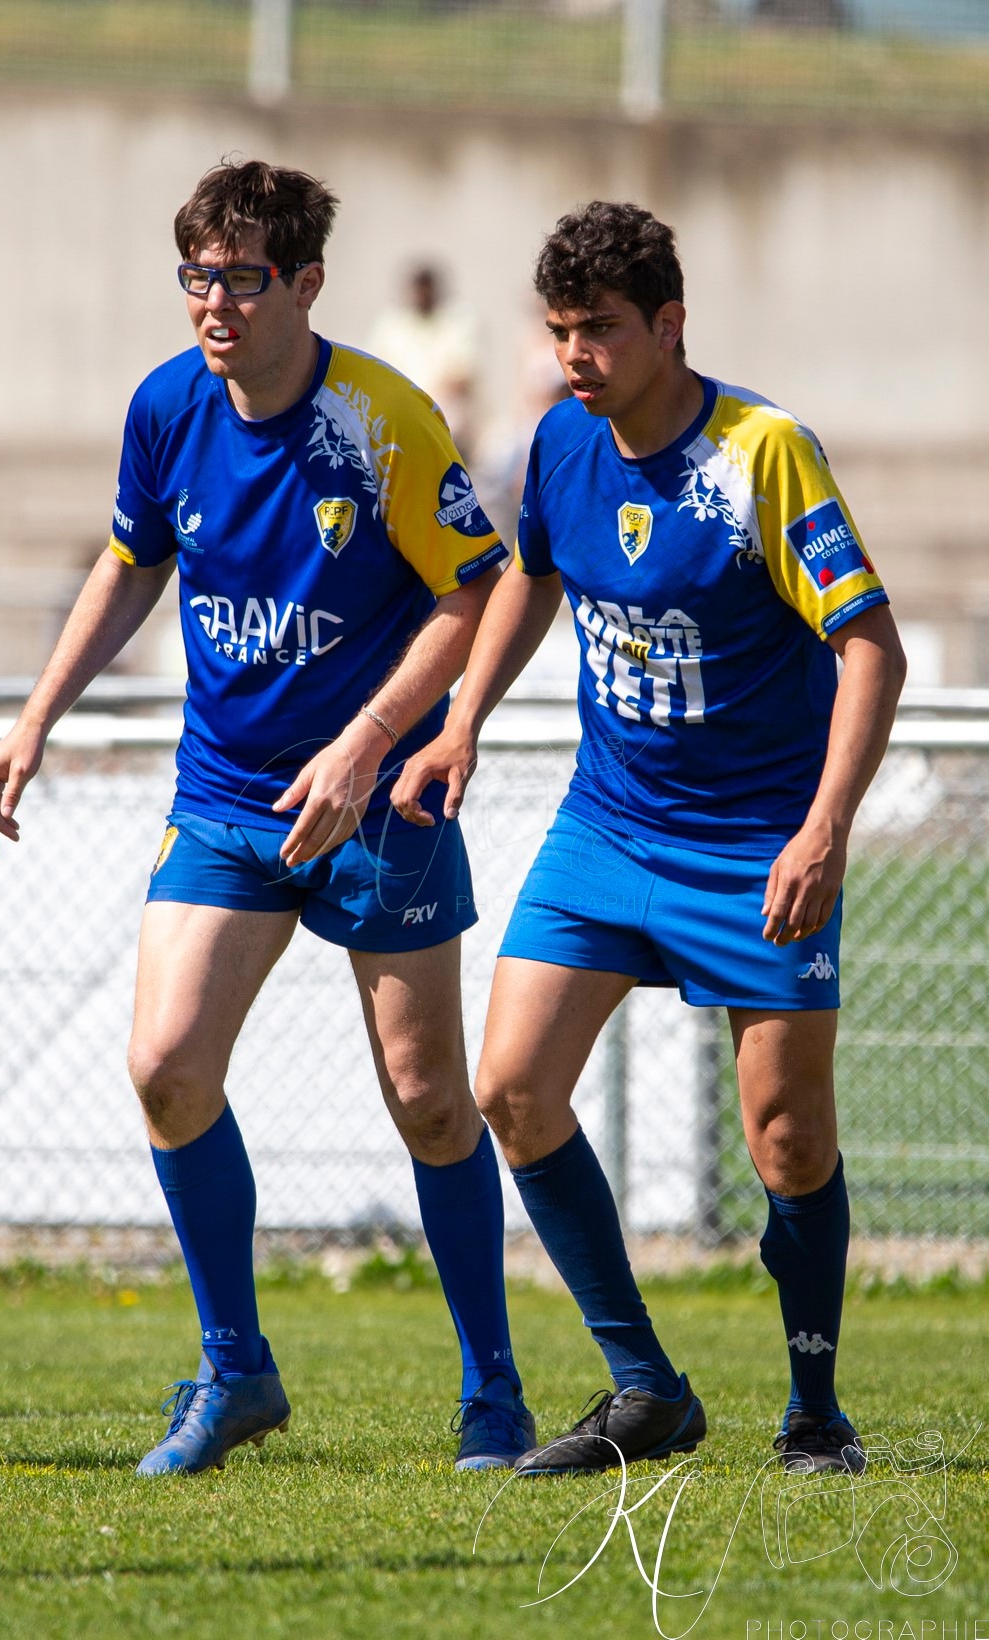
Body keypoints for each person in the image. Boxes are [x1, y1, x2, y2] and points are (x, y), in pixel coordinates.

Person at [0, 159, 535, 1477]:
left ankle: (492, 1393)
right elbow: (131, 563)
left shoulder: (381, 419)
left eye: (242, 277)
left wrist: (366, 744)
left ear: (306, 285)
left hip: (377, 800)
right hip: (224, 796)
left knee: (431, 1102)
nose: (214, 302)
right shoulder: (166, 409)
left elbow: (471, 595)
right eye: (197, 276)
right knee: (166, 1066)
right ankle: (237, 1371)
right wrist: (34, 717)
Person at [392, 200, 907, 1477]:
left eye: (603, 330)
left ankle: (815, 1409)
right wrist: (461, 723)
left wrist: (824, 829)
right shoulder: (564, 441)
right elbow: (531, 570)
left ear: (670, 324)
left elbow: (869, 648)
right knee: (509, 1085)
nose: (577, 354)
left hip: (757, 843)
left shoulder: (764, 452)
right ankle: (644, 1385)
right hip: (609, 826)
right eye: (561, 329)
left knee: (786, 1136)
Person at [368, 265, 478, 457]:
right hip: (398, 415)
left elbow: (461, 378)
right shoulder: (390, 325)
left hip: (443, 418)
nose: (422, 294)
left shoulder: (458, 321)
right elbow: (374, 375)